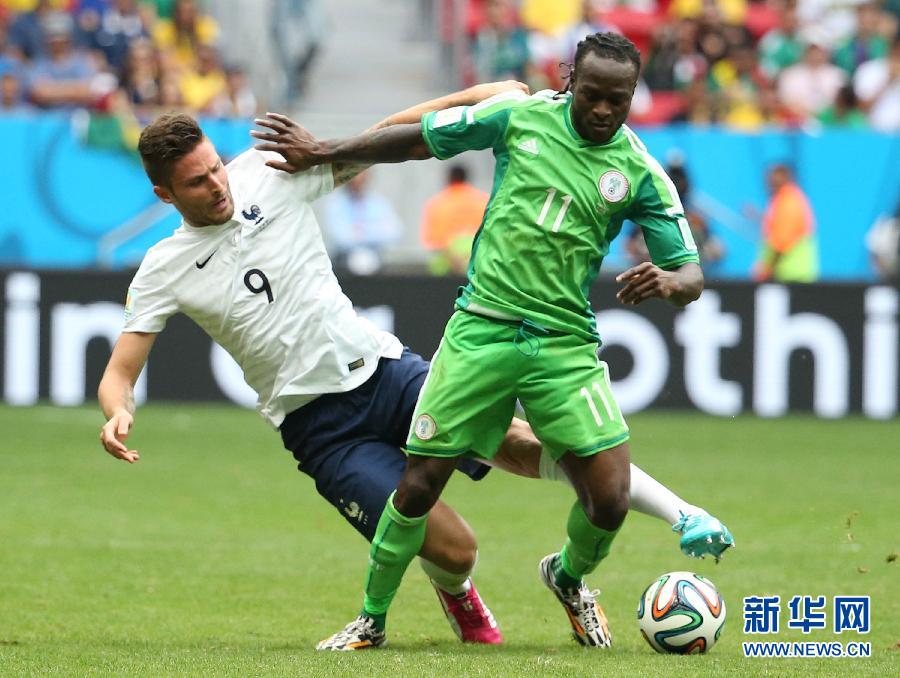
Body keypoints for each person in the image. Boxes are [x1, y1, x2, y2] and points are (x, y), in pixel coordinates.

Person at [100, 80, 732, 651]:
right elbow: (121, 370)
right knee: (457, 549)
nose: (218, 186)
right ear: (164, 192)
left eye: (215, 168)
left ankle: (676, 512)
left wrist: (474, 96)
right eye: (197, 182)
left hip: (382, 370)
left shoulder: (266, 174)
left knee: (522, 440)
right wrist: (117, 411)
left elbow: (388, 131)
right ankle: (455, 591)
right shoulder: (164, 267)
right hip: (319, 428)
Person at [260, 33, 718, 651]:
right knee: (419, 485)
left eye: (618, 99)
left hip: (563, 345)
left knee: (607, 500)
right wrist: (326, 151)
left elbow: (691, 275)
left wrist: (671, 280)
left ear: (634, 94)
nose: (603, 110)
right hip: (482, 329)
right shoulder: (520, 118)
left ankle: (568, 576)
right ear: (568, 82)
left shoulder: (640, 172)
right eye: (591, 95)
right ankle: (371, 618)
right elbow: (421, 139)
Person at [753, 164, 819, 283]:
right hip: (793, 273)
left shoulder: (788, 202)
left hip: (792, 274)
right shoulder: (789, 199)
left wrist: (765, 267)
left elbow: (781, 240)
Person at [420, 165, 488, 275]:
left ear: (448, 178)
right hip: (478, 262)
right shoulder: (483, 200)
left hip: (447, 265)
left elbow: (434, 241)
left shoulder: (437, 203)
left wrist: (454, 259)